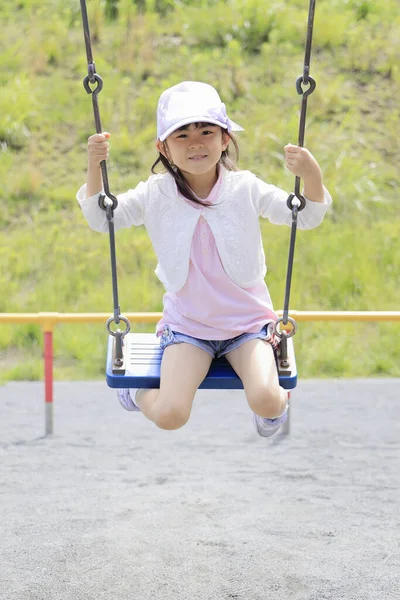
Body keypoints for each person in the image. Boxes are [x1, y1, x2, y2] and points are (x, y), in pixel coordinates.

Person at [77, 81, 331, 437]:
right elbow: (104, 218)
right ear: (162, 148)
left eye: (207, 131)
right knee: (170, 414)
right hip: (189, 328)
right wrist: (93, 166)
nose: (196, 142)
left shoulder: (245, 187)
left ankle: (270, 408)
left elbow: (303, 216)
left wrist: (312, 175)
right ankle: (134, 392)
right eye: (181, 135)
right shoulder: (155, 194)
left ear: (225, 139)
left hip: (247, 325)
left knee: (269, 401)